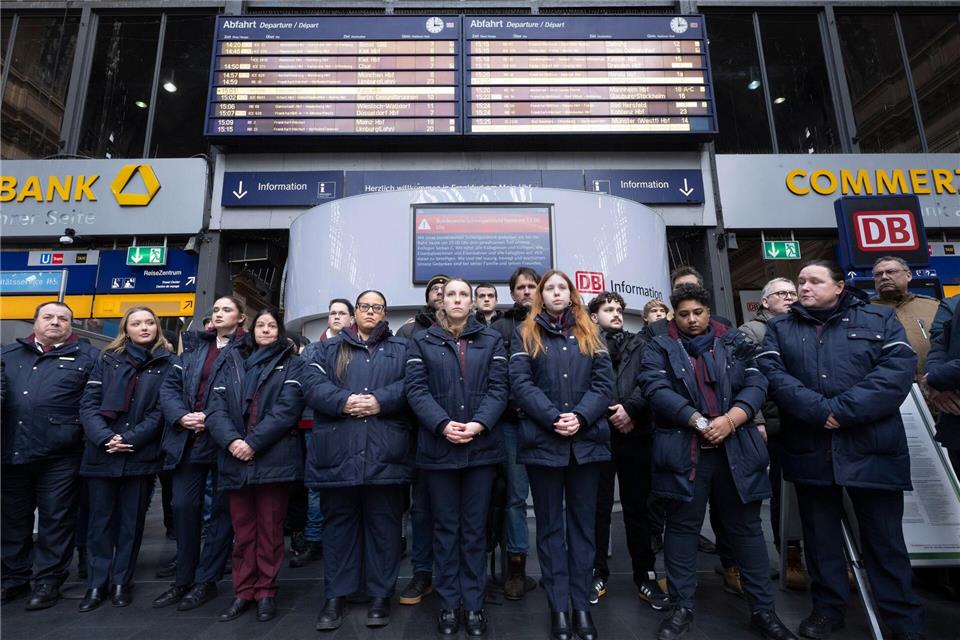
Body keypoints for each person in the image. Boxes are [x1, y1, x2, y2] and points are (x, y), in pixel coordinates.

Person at [758, 260, 925, 640]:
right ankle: (828, 610)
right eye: (801, 281)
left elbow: (897, 370)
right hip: (812, 448)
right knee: (821, 540)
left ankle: (902, 618)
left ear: (838, 286)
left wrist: (843, 412)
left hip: (873, 448)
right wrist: (819, 412)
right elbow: (773, 375)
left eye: (814, 281)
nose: (804, 287)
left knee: (885, 541)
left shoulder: (878, 320)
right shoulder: (781, 327)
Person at [641, 284, 796, 640]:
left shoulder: (735, 341)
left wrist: (733, 419)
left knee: (747, 530)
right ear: (673, 317)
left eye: (698, 312)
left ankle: (763, 611)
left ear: (708, 312)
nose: (692, 320)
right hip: (685, 450)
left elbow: (758, 381)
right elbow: (655, 389)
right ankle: (681, 608)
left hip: (736, 447)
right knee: (681, 530)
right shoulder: (659, 346)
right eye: (684, 314)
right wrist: (698, 421)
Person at [509, 270, 613, 640]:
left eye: (562, 288)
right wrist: (554, 417)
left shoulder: (591, 333)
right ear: (540, 296)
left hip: (586, 444)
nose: (556, 292)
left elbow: (604, 384)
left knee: (584, 530)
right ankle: (558, 608)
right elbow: (520, 384)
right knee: (551, 529)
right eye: (549, 288)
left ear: (571, 295)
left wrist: (581, 416)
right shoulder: (525, 334)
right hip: (544, 443)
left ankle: (581, 607)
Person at [303, 290, 413, 631]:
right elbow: (311, 385)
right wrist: (347, 401)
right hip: (338, 453)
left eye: (377, 307)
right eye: (364, 306)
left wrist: (379, 400)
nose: (370, 312)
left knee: (385, 527)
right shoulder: (325, 348)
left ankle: (382, 594)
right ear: (354, 313)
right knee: (339, 528)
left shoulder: (402, 349)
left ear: (384, 313)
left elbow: (412, 385)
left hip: (386, 452)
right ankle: (336, 594)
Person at [406, 278, 508, 637]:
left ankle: (475, 604)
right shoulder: (422, 340)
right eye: (452, 294)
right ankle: (449, 603)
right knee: (445, 530)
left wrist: (478, 424)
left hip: (481, 450)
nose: (459, 299)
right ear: (441, 301)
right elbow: (415, 390)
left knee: (474, 531)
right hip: (438, 449)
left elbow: (500, 389)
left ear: (472, 302)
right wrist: (443, 424)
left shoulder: (492, 339)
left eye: (464, 294)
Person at [204, 308, 305, 623]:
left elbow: (286, 411)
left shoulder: (292, 363)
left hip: (272, 458)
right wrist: (233, 441)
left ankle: (265, 592)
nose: (265, 330)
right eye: (260, 325)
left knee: (270, 532)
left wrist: (252, 443)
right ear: (251, 329)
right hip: (235, 458)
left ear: (279, 330)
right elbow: (215, 408)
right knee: (243, 532)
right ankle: (242, 591)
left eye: (271, 325)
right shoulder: (231, 361)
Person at [1, 301, 99, 609]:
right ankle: (13, 579)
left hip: (61, 455)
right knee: (12, 520)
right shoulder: (8, 355)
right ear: (35, 322)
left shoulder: (88, 358)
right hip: (12, 450)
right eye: (49, 317)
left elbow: (92, 403)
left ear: (71, 325)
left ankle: (47, 581)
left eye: (63, 318)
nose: (55, 322)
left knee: (56, 520)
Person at [77, 307, 174, 611]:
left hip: (140, 453)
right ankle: (96, 584)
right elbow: (89, 404)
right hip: (101, 451)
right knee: (100, 523)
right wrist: (106, 437)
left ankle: (121, 582)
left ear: (157, 328)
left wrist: (129, 439)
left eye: (149, 322)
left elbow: (162, 411)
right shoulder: (105, 359)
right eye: (136, 323)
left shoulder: (170, 364)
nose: (144, 327)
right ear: (126, 329)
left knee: (131, 524)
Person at [154, 296, 246, 611]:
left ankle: (206, 580)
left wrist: (214, 418)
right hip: (189, 438)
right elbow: (168, 390)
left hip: (225, 440)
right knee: (183, 507)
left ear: (241, 318)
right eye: (215, 310)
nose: (219, 313)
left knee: (222, 514)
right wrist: (181, 416)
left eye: (226, 310)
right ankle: (183, 580)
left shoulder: (247, 350)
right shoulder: (193, 350)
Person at [586, 292, 669, 610]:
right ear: (594, 317)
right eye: (609, 309)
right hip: (599, 436)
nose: (617, 314)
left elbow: (651, 380)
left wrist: (630, 410)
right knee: (598, 509)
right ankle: (597, 573)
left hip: (637, 434)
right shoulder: (585, 346)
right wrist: (611, 412)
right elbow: (585, 385)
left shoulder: (643, 345)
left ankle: (645, 575)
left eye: (619, 309)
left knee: (639, 510)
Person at [739, 277, 809, 591]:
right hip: (770, 424)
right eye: (782, 294)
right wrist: (755, 420)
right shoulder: (751, 332)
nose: (790, 298)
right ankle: (787, 555)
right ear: (764, 302)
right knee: (772, 494)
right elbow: (745, 380)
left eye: (793, 293)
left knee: (803, 494)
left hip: (804, 421)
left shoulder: (807, 327)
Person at [291, 299, 354, 569]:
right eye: (333, 313)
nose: (337, 317)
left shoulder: (356, 348)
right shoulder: (312, 351)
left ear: (351, 319)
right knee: (316, 486)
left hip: (349, 423)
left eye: (342, 313)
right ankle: (315, 540)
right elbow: (307, 387)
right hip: (314, 425)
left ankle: (342, 540)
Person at [398, 274, 448, 605]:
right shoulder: (408, 331)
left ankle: (453, 574)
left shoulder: (471, 330)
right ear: (428, 296)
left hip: (464, 431)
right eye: (436, 289)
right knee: (422, 508)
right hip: (420, 432)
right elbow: (405, 381)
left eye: (449, 290)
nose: (442, 294)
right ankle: (422, 572)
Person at [490, 266, 540, 599]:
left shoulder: (553, 325)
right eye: (520, 287)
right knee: (515, 500)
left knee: (555, 500)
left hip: (548, 424)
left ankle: (556, 568)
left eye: (531, 286)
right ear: (512, 293)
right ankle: (517, 569)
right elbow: (496, 376)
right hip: (511, 424)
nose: (525, 291)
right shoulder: (499, 327)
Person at [870, 256, 938, 381]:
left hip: (938, 385)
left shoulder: (934, 306)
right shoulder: (862, 311)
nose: (884, 277)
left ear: (908, 276)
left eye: (891, 272)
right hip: (889, 388)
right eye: (878, 274)